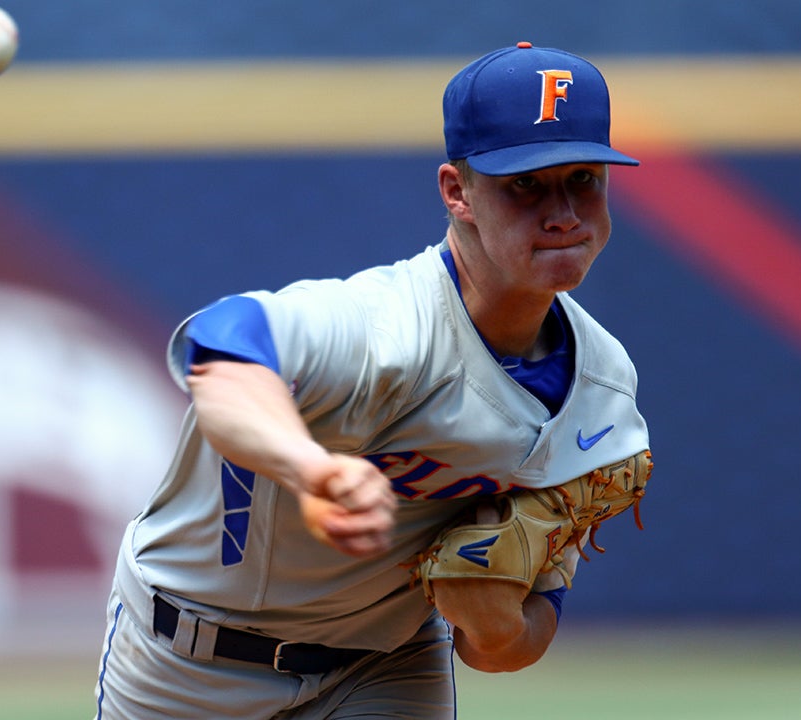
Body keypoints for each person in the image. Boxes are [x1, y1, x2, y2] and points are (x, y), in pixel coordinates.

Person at [93, 41, 650, 719]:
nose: (562, 211)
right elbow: (220, 351)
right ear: (457, 192)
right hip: (186, 662)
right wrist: (310, 469)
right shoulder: (383, 330)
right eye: (525, 184)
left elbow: (506, 650)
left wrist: (495, 620)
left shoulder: (600, 394)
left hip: (386, 665)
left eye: (583, 178)